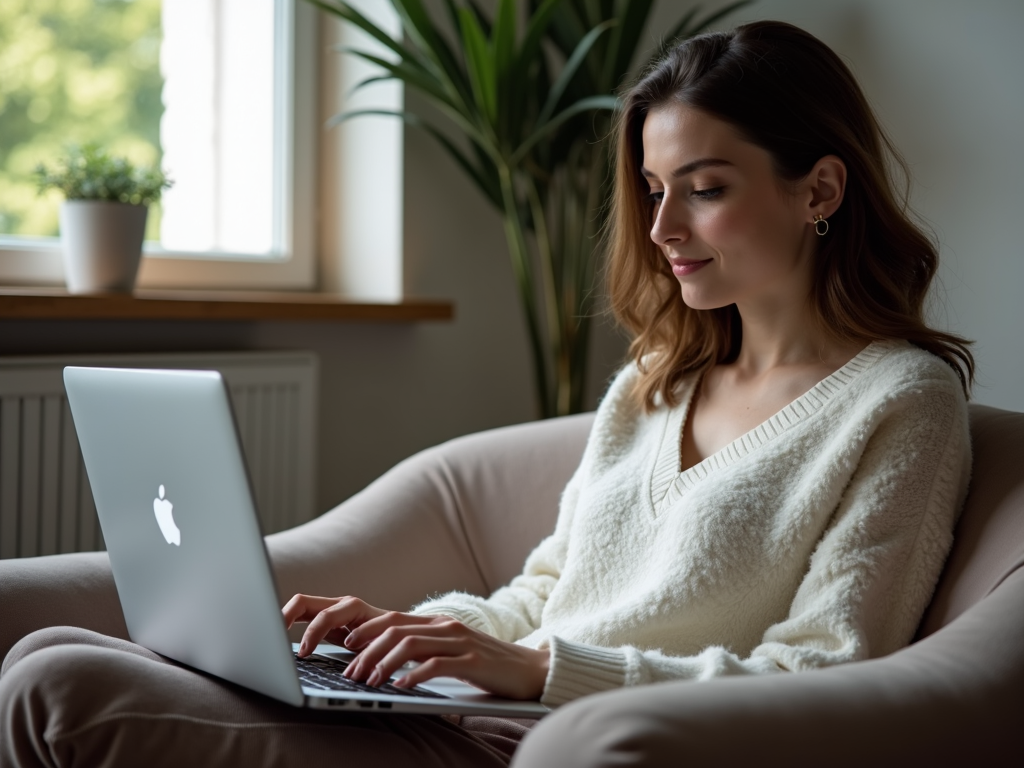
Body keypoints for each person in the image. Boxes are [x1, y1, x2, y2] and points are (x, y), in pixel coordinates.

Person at [0, 20, 974, 768]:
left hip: (548, 740)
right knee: (44, 649)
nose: (662, 224)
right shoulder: (655, 380)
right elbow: (548, 591)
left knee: (55, 681)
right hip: (474, 714)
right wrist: (415, 635)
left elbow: (823, 672)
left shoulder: (898, 400)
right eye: (650, 186)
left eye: (705, 187)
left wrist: (543, 673)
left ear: (820, 191)